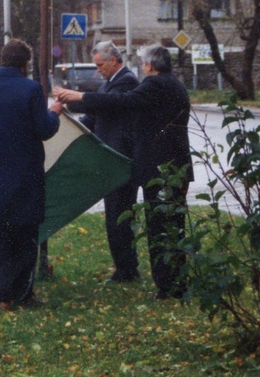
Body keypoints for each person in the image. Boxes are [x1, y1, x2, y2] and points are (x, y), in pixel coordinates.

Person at [55, 44, 192, 299]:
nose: (142, 67)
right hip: (173, 165)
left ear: (150, 65)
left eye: (143, 63)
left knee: (161, 226)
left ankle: (169, 286)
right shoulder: (172, 83)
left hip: (160, 167)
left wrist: (79, 98)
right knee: (171, 225)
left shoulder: (155, 84)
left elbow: (123, 101)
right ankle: (174, 282)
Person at [0, 39, 62, 309]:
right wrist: (54, 113)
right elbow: (44, 129)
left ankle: (3, 296)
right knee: (25, 238)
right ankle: (24, 293)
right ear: (26, 64)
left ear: (2, 59)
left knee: (0, 238)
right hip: (25, 175)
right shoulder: (32, 89)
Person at [65, 41, 141, 282]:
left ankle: (127, 269)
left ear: (113, 60)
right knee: (114, 216)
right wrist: (69, 124)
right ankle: (122, 266)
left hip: (120, 159)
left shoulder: (126, 80)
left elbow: (108, 104)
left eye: (100, 65)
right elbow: (95, 115)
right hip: (109, 158)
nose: (98, 69)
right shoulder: (110, 82)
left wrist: (80, 96)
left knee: (121, 216)